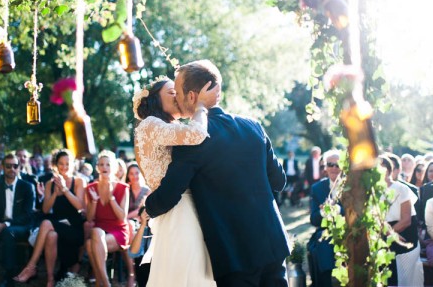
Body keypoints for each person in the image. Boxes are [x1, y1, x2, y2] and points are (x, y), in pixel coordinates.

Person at [145, 60, 290, 287]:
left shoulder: (193, 139)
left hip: (234, 253)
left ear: (192, 97)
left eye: (178, 93)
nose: (176, 99)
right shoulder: (254, 126)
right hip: (272, 243)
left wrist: (147, 208)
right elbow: (279, 181)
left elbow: (168, 195)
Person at [133, 75, 218, 287]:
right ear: (154, 100)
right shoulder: (150, 124)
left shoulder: (168, 128)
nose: (177, 96)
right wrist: (200, 107)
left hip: (181, 206)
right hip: (179, 209)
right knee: (188, 274)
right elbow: (197, 133)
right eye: (171, 93)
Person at [14, 149, 85, 287]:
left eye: (67, 164)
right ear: (55, 165)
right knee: (51, 234)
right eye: (61, 164)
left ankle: (31, 267)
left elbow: (80, 206)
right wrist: (54, 194)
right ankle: (50, 279)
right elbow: (46, 209)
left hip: (73, 229)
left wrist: (64, 190)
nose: (64, 167)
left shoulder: (78, 181)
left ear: (73, 164)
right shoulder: (49, 184)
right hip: (56, 226)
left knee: (46, 224)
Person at [0, 153, 36, 287]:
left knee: (8, 232)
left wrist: (5, 224)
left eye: (15, 166)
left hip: (21, 225)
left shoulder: (27, 187)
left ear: (19, 168)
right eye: (8, 166)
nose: (12, 169)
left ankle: (9, 277)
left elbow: (28, 215)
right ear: (2, 167)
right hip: (1, 222)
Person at [85, 150, 133, 287]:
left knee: (92, 242)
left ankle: (101, 282)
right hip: (100, 232)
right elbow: (89, 218)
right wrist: (94, 201)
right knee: (96, 233)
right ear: (97, 167)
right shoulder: (91, 188)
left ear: (114, 168)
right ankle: (105, 282)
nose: (104, 167)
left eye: (108, 164)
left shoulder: (123, 188)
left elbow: (122, 217)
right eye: (101, 164)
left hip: (118, 231)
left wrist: (111, 197)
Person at [379, 156, 423, 287]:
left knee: (406, 279)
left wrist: (392, 233)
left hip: (405, 234)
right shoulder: (372, 191)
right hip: (383, 234)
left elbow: (406, 219)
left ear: (388, 169)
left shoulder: (401, 188)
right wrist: (387, 234)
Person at [307, 150, 343, 287]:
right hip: (326, 231)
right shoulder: (317, 188)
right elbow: (314, 220)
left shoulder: (350, 187)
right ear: (325, 167)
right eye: (330, 164)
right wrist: (323, 212)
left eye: (337, 164)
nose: (334, 168)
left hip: (349, 230)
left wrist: (338, 210)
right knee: (322, 243)